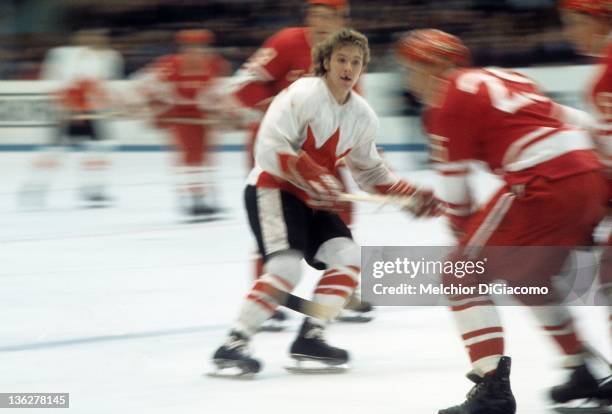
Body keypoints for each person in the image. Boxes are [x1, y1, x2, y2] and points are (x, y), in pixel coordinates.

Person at [395, 29, 609, 413]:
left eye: (410, 69)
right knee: (529, 277)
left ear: (431, 66)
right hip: (587, 176)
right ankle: (584, 368)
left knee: (461, 271)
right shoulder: (507, 77)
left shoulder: (447, 97)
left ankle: (491, 385)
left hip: (542, 180)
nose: (409, 80)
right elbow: (581, 125)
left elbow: (456, 194)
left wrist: (454, 224)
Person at [211, 28, 439, 376]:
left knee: (349, 259)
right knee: (286, 268)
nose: (349, 67)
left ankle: (311, 335)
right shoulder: (301, 93)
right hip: (273, 190)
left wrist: (408, 194)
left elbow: (370, 171)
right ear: (326, 63)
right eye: (342, 59)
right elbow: (270, 147)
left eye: (357, 62)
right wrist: (310, 170)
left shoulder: (362, 115)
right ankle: (234, 342)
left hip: (314, 201)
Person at [229, 0, 372, 324]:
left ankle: (341, 288)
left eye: (328, 16)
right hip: (278, 151)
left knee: (341, 209)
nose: (320, 23)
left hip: (321, 151)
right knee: (275, 221)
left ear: (342, 20)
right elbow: (243, 86)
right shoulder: (286, 42)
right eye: (315, 15)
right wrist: (277, 110)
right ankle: (268, 296)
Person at [132, 29, 229, 220]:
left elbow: (216, 91)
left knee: (204, 159)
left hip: (202, 118)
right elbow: (145, 84)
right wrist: (159, 107)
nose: (197, 50)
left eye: (201, 46)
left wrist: (220, 110)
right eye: (192, 46)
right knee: (189, 159)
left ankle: (204, 198)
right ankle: (192, 200)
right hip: (181, 119)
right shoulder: (170, 64)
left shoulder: (215, 64)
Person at [19, 29, 123, 208]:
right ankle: (35, 189)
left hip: (87, 112)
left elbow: (97, 87)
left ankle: (91, 189)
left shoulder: (102, 58)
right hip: (73, 112)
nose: (98, 40)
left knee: (99, 148)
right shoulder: (70, 58)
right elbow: (68, 86)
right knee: (55, 153)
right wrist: (71, 111)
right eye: (93, 36)